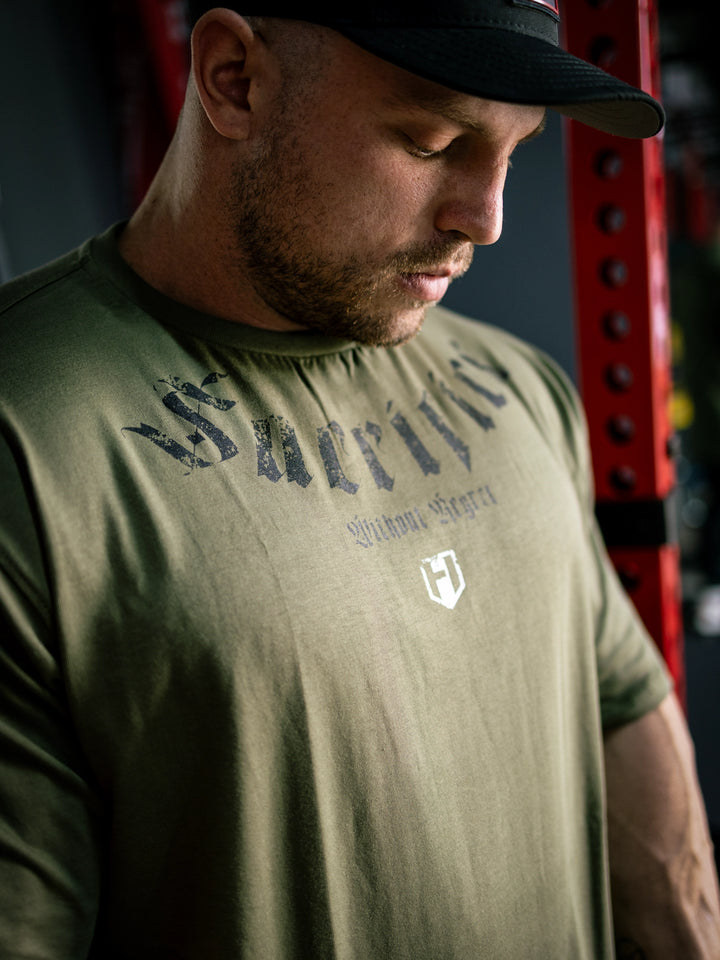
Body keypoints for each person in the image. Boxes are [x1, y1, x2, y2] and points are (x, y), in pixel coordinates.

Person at [0, 3, 718, 957]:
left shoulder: (523, 391)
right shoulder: (27, 430)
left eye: (516, 151)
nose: (487, 219)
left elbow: (624, 712)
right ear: (233, 81)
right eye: (432, 140)